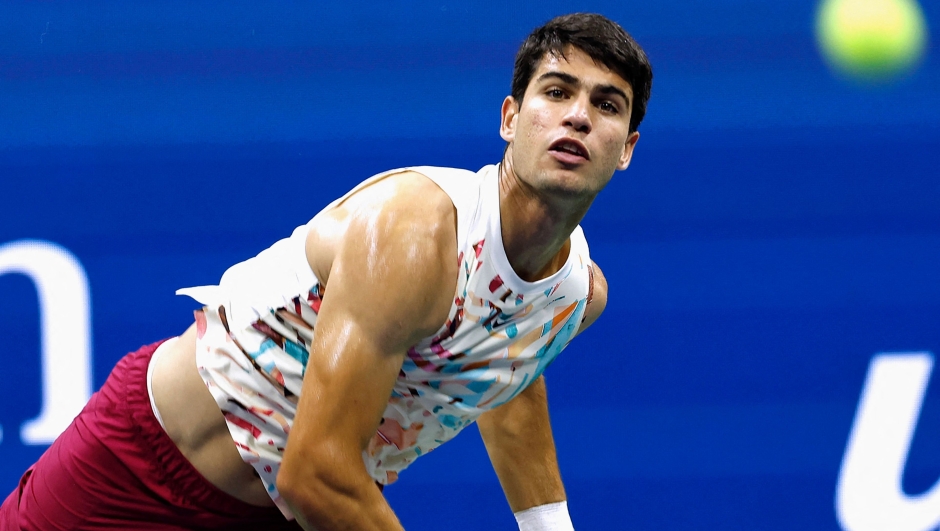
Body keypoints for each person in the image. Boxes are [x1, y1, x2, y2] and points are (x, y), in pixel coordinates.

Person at [0, 12, 652, 531]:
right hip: (140, 472)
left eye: (606, 104)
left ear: (625, 149)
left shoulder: (574, 295)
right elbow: (314, 472)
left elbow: (506, 371)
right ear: (510, 118)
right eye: (557, 92)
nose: (576, 116)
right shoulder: (417, 232)